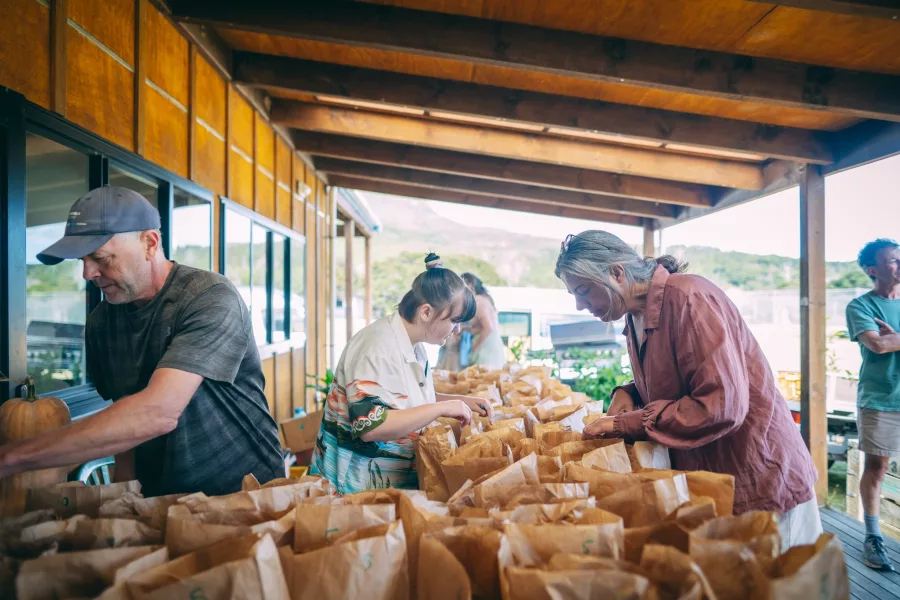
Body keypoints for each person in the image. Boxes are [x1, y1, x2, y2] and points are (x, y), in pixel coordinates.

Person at [0, 187, 283, 497]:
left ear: (150, 243)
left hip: (247, 494)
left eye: (100, 258)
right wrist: (125, 495)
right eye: (83, 260)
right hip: (161, 502)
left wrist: (10, 458)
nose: (87, 273)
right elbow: (125, 415)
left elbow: (157, 412)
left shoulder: (208, 297)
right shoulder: (101, 323)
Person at [555, 231, 821, 549]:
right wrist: (630, 392)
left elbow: (719, 404)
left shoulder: (689, 297)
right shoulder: (634, 315)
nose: (580, 306)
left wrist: (622, 424)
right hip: (714, 487)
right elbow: (677, 378)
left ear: (616, 272)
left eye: (583, 291)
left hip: (757, 482)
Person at [310, 254, 493, 494]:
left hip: (386, 483)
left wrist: (458, 402)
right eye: (454, 320)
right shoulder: (377, 347)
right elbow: (370, 426)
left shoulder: (415, 344)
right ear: (426, 312)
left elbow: (406, 398)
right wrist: (441, 409)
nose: (458, 330)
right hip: (353, 489)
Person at [846, 238, 900, 571]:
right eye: (893, 261)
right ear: (873, 270)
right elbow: (878, 346)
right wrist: (888, 340)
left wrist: (894, 338)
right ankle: (873, 536)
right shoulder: (860, 306)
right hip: (880, 400)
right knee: (876, 470)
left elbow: (887, 341)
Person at [461, 273, 507, 370]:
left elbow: (489, 328)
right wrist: (467, 329)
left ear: (470, 285)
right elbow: (481, 327)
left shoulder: (478, 301)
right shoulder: (484, 299)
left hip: (486, 347)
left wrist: (475, 349)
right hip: (490, 343)